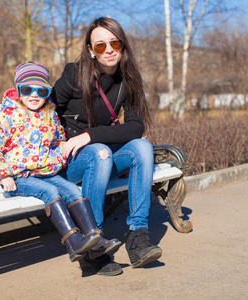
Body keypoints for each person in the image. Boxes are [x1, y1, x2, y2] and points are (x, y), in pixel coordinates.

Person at [0, 61, 121, 264]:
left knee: (74, 192)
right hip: (20, 177)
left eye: (41, 90)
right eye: (27, 89)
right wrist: (4, 175)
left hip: (47, 174)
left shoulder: (50, 116)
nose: (34, 95)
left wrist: (55, 159)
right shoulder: (8, 116)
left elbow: (58, 143)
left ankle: (94, 237)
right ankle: (73, 241)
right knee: (51, 193)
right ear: (18, 91)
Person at [51, 17, 161, 276]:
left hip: (99, 155)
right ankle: (93, 244)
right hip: (70, 163)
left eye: (114, 43)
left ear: (122, 45)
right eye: (100, 46)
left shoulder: (128, 79)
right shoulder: (73, 74)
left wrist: (89, 135)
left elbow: (135, 126)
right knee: (99, 153)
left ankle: (137, 236)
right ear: (91, 51)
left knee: (142, 147)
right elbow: (45, 109)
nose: (108, 50)